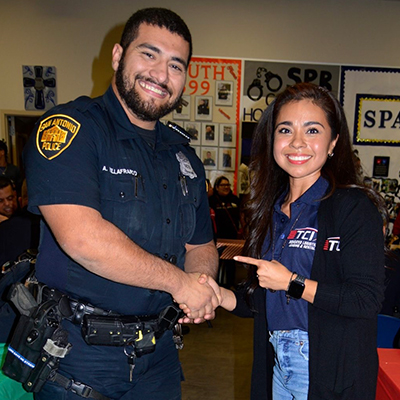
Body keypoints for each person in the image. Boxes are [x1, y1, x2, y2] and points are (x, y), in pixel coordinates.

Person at [22, 8, 218, 400]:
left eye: (175, 65)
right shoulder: (72, 129)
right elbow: (82, 239)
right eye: (149, 55)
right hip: (79, 357)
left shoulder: (184, 158)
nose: (161, 75)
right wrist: (181, 284)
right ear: (117, 56)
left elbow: (201, 246)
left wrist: (202, 285)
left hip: (159, 355)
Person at [184, 83, 387, 399]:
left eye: (312, 130)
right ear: (272, 139)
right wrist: (218, 295)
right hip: (279, 358)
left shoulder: (352, 207)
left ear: (333, 142)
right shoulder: (271, 209)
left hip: (327, 365)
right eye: (285, 129)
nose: (297, 142)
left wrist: (293, 283)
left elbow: (365, 299)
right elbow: (264, 297)